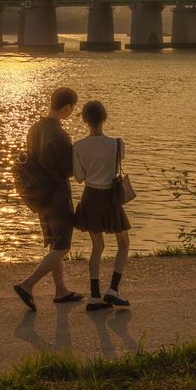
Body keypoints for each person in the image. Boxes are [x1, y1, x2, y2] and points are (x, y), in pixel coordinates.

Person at [13, 86, 83, 311]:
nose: (71, 112)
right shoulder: (60, 134)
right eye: (72, 109)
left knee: (55, 244)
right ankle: (27, 284)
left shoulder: (34, 128)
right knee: (62, 247)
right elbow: (68, 169)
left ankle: (61, 290)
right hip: (57, 195)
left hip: (39, 194)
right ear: (67, 107)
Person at [73, 100, 131, 311]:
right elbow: (117, 164)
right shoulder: (117, 143)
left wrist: (90, 171)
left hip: (90, 197)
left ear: (85, 120)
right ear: (104, 118)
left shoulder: (78, 146)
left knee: (97, 247)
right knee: (123, 243)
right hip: (110, 198)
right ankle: (114, 289)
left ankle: (95, 296)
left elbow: (79, 178)